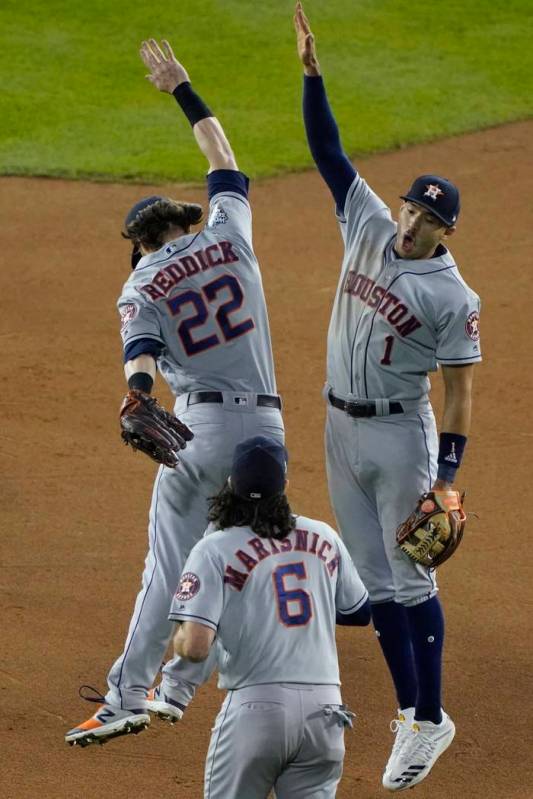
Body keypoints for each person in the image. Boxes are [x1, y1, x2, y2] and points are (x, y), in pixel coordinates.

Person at [65, 39, 285, 747]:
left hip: (203, 433)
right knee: (241, 551)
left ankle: (129, 693)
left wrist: (134, 397)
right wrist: (182, 88)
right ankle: (199, 683)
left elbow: (141, 361)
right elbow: (223, 156)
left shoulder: (139, 284)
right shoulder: (229, 228)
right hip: (269, 433)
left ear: (138, 243)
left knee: (169, 566)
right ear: (180, 221)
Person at [293, 3, 481, 792]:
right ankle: (409, 713)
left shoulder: (452, 294)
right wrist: (313, 76)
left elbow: (459, 389)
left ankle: (432, 717)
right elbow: (329, 153)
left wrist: (445, 475)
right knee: (372, 583)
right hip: (337, 425)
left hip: (401, 437)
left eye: (429, 218)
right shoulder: (368, 224)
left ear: (444, 232)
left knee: (413, 582)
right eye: (412, 206)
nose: (413, 221)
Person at [170, 435, 371, 798]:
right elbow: (358, 612)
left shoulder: (214, 547)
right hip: (325, 714)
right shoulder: (323, 535)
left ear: (230, 485)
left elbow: (197, 648)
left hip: (257, 711)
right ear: (285, 486)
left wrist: (182, 638)